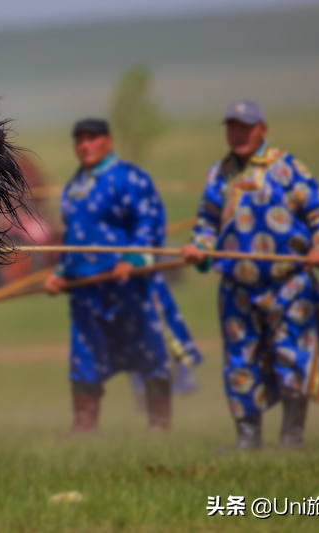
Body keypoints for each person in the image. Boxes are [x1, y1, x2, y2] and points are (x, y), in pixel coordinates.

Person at [181, 101, 319, 450]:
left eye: (246, 126)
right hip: (238, 288)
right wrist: (199, 247)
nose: (238, 133)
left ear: (262, 130)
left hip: (289, 284)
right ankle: (247, 442)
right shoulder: (219, 173)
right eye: (232, 126)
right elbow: (208, 223)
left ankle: (291, 441)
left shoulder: (286, 168)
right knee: (240, 360)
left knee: (292, 357)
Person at [45, 118, 201, 436]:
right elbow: (73, 237)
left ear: (108, 142)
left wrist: (132, 258)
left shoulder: (130, 178)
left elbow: (149, 223)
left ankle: (159, 423)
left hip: (129, 285)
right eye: (80, 140)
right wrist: (60, 273)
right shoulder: (74, 187)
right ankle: (84, 424)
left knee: (147, 350)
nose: (85, 145)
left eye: (92, 138)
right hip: (86, 291)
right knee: (85, 354)